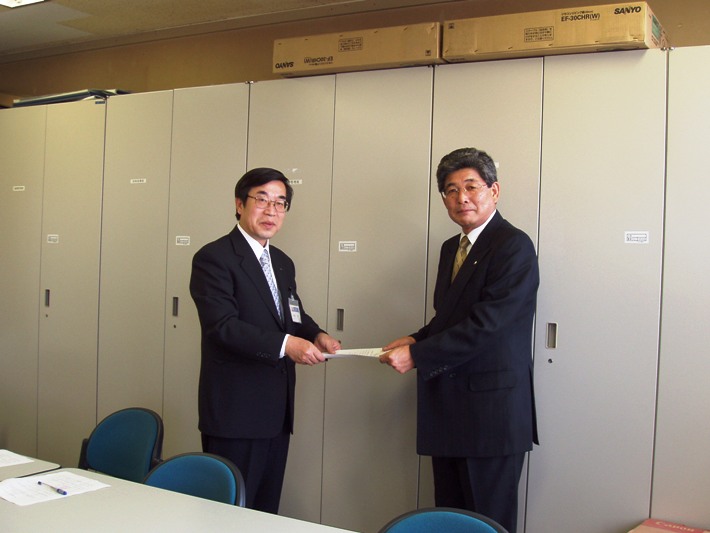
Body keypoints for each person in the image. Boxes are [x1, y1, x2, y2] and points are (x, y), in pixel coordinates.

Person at [379, 147, 539, 532]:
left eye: (471, 187)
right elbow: (449, 319)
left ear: (494, 191)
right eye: (451, 190)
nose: (461, 198)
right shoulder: (452, 247)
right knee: (449, 520)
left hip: (490, 417)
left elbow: (487, 325)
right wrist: (414, 338)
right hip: (449, 412)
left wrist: (418, 354)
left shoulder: (513, 245)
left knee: (487, 523)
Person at [190, 167, 341, 514]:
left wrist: (316, 335)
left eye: (280, 203)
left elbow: (292, 315)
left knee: (264, 510)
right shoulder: (214, 258)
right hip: (236, 412)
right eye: (262, 200)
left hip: (276, 412)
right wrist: (288, 345)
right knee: (230, 513)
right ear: (239, 204)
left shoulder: (282, 262)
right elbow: (222, 327)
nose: (271, 211)